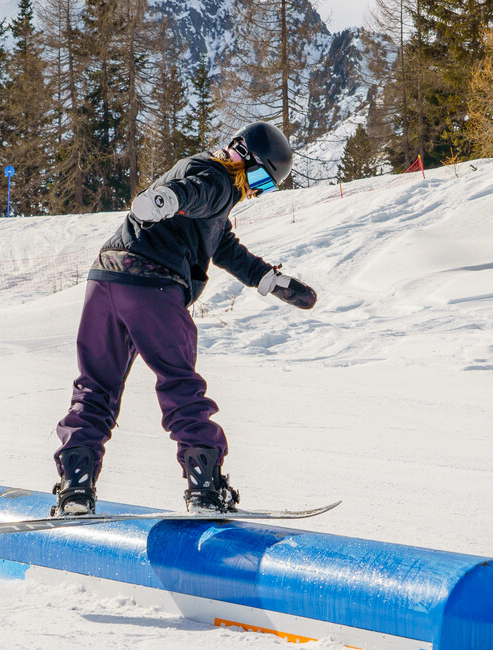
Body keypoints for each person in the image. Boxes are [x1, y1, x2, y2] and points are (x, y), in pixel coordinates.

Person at [51, 121, 317, 517]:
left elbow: (221, 243)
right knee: (179, 383)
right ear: (242, 154)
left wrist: (268, 279)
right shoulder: (216, 177)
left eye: (266, 186)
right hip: (152, 285)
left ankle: (76, 487)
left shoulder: (210, 185)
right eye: (259, 178)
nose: (255, 190)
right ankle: (205, 489)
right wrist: (165, 200)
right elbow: (195, 193)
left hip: (106, 276)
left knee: (95, 386)